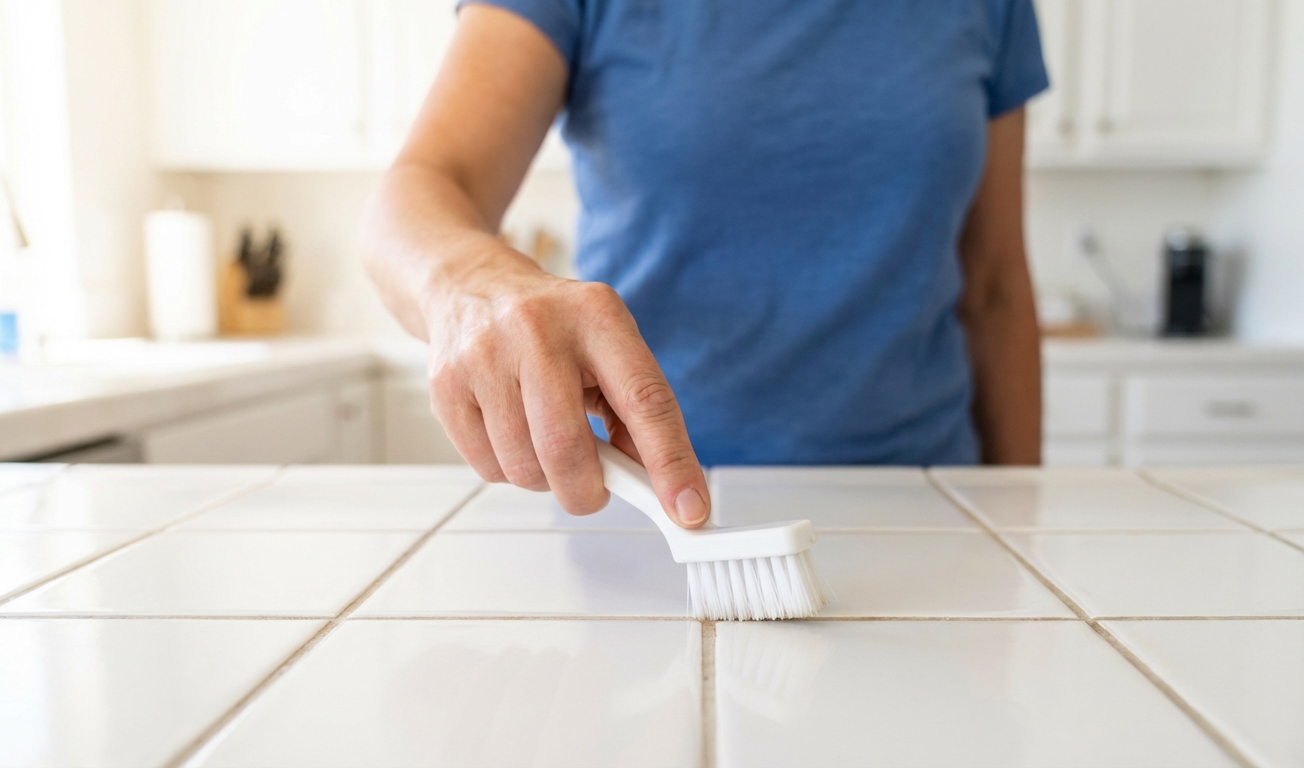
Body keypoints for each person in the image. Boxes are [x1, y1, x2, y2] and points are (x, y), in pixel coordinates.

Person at [361, 0, 1047, 530]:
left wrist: (1021, 523)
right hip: (640, 509)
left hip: (925, 503)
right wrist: (472, 285)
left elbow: (995, 288)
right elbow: (419, 189)